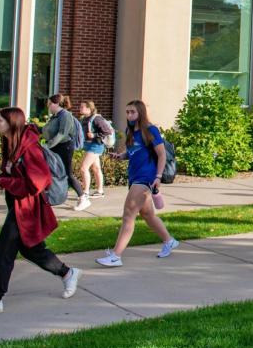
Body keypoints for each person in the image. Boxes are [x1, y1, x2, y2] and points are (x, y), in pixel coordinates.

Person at [0, 107, 80, 315]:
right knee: (31, 250)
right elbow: (12, 171)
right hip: (18, 204)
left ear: (12, 123)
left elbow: (39, 181)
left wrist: (7, 181)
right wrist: (3, 179)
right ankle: (67, 273)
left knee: (4, 251)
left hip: (27, 208)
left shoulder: (29, 148)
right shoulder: (10, 142)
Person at [95, 100, 179, 267]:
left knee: (128, 214)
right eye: (127, 112)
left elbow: (161, 155)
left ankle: (116, 256)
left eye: (132, 112)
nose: (129, 115)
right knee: (147, 214)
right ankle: (169, 241)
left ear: (140, 112)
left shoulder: (151, 130)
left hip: (145, 178)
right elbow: (133, 151)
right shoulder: (131, 130)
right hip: (134, 176)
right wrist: (121, 156)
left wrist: (158, 177)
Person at [42, 93, 88, 211]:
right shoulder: (56, 116)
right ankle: (51, 196)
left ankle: (83, 198)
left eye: (50, 104)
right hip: (56, 147)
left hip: (65, 148)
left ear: (56, 104)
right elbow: (47, 130)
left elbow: (62, 134)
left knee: (67, 174)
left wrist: (47, 145)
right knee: (51, 172)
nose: (48, 107)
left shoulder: (65, 115)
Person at [78, 100, 112, 198]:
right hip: (89, 146)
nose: (80, 108)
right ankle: (100, 191)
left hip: (95, 146)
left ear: (89, 109)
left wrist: (94, 135)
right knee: (96, 168)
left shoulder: (97, 118)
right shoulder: (84, 118)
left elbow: (108, 131)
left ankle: (85, 192)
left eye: (82, 107)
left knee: (83, 168)